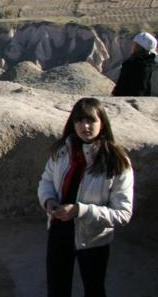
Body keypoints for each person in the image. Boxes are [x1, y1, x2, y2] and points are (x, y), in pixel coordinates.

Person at [38, 97, 133, 297]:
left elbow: (123, 213)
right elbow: (45, 181)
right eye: (79, 121)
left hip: (93, 238)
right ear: (72, 124)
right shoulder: (62, 151)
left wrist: (80, 211)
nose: (85, 126)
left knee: (94, 289)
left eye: (91, 120)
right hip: (59, 231)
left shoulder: (116, 161)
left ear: (103, 123)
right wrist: (49, 201)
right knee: (57, 287)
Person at [112, 31, 157, 96]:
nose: (132, 46)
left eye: (135, 44)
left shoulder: (134, 64)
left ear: (140, 48)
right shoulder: (151, 64)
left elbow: (123, 85)